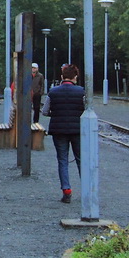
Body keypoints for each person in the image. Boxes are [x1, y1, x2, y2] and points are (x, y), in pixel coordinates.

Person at [47, 63, 84, 203]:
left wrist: (57, 114)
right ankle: (86, 188)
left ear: (62, 77)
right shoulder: (81, 92)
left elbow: (45, 111)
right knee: (81, 159)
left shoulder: (53, 92)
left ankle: (66, 191)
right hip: (77, 130)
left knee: (62, 160)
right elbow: (86, 109)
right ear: (75, 77)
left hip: (59, 130)